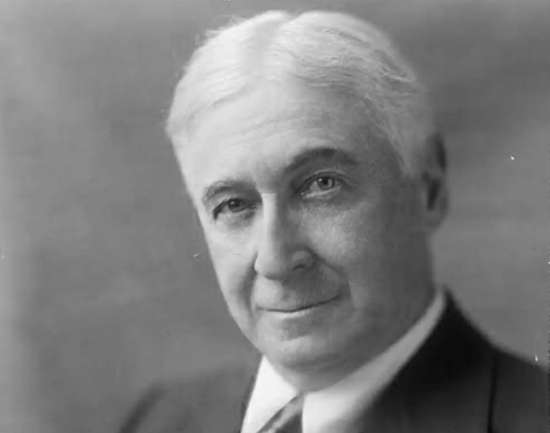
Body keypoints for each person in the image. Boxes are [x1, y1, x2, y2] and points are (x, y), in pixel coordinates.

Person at [119, 10, 546, 433]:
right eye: (233, 205)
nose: (275, 261)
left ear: (427, 190)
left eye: (321, 185)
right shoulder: (160, 420)